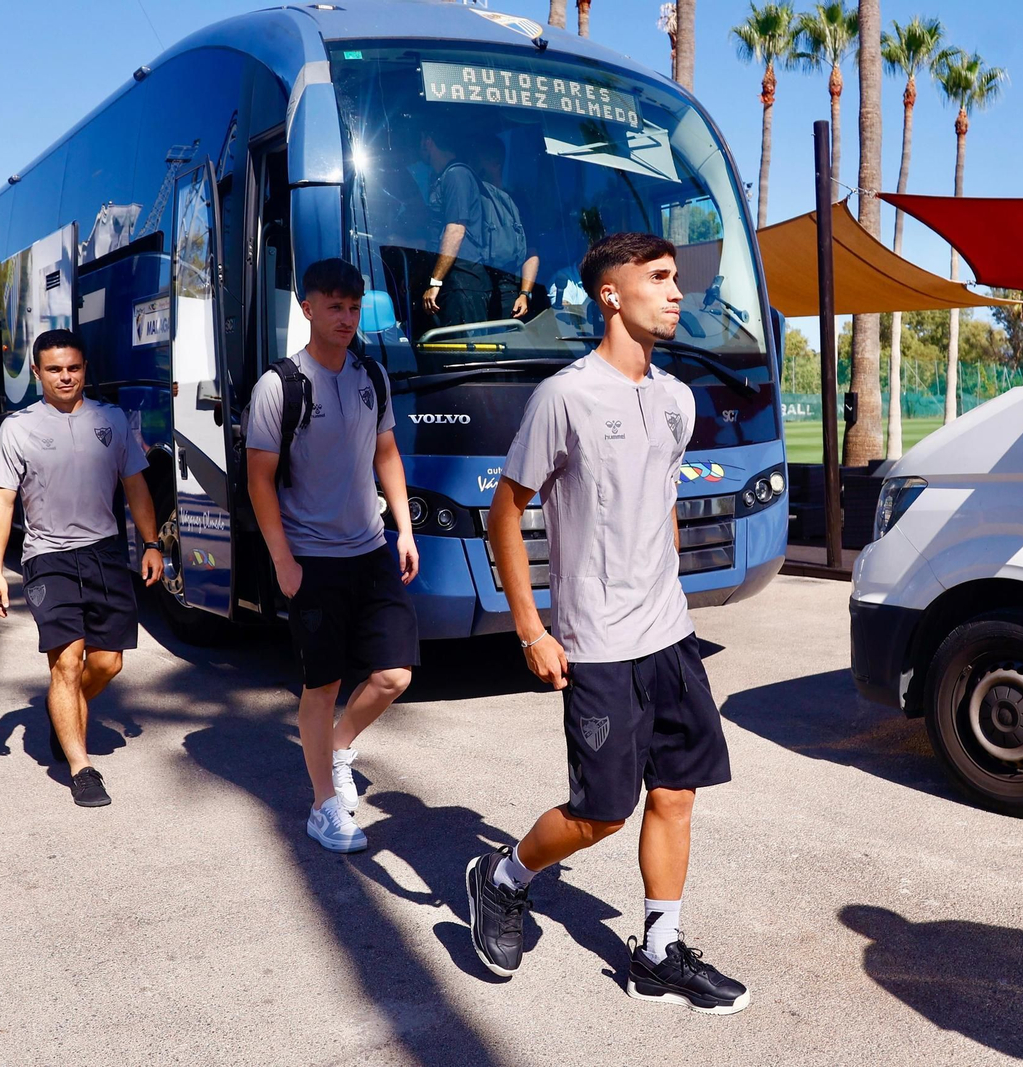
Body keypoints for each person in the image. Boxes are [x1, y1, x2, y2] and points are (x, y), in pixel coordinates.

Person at [465, 233, 749, 1013]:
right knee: (601, 812)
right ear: (611, 295)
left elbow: (657, 497)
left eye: (676, 278)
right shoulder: (566, 396)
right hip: (597, 644)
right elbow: (505, 512)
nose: (675, 290)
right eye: (658, 278)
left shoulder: (676, 398)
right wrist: (531, 628)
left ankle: (658, 949)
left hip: (669, 635)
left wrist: (667, 588)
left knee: (679, 793)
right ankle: (502, 877)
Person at [245, 258, 420, 853]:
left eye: (354, 307)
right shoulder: (280, 385)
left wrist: (404, 529)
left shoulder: (371, 374)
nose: (346, 318)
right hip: (311, 558)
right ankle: (324, 805)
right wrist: (282, 560)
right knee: (320, 686)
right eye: (334, 306)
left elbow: (387, 454)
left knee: (394, 674)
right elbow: (259, 481)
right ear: (307, 309)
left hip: (371, 549)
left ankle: (341, 744)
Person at [0, 328, 163, 808]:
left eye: (74, 368)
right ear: (38, 373)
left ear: (84, 369)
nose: (65, 377)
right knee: (66, 662)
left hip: (105, 552)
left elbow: (137, 487)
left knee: (108, 663)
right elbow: (1, 501)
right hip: (47, 556)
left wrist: (151, 543)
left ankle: (61, 710)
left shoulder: (112, 421)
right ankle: (82, 767)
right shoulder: (18, 428)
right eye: (55, 369)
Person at [419, 130, 494, 332]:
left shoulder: (456, 175)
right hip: (452, 282)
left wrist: (435, 282)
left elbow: (455, 230)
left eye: (419, 141)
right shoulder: (441, 177)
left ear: (428, 141)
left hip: (464, 283)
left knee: (468, 359)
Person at [469, 137, 540, 323]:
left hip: (509, 292)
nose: (475, 170)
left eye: (479, 162)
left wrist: (525, 294)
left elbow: (531, 252)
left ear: (496, 164)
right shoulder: (471, 199)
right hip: (473, 290)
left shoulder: (518, 203)